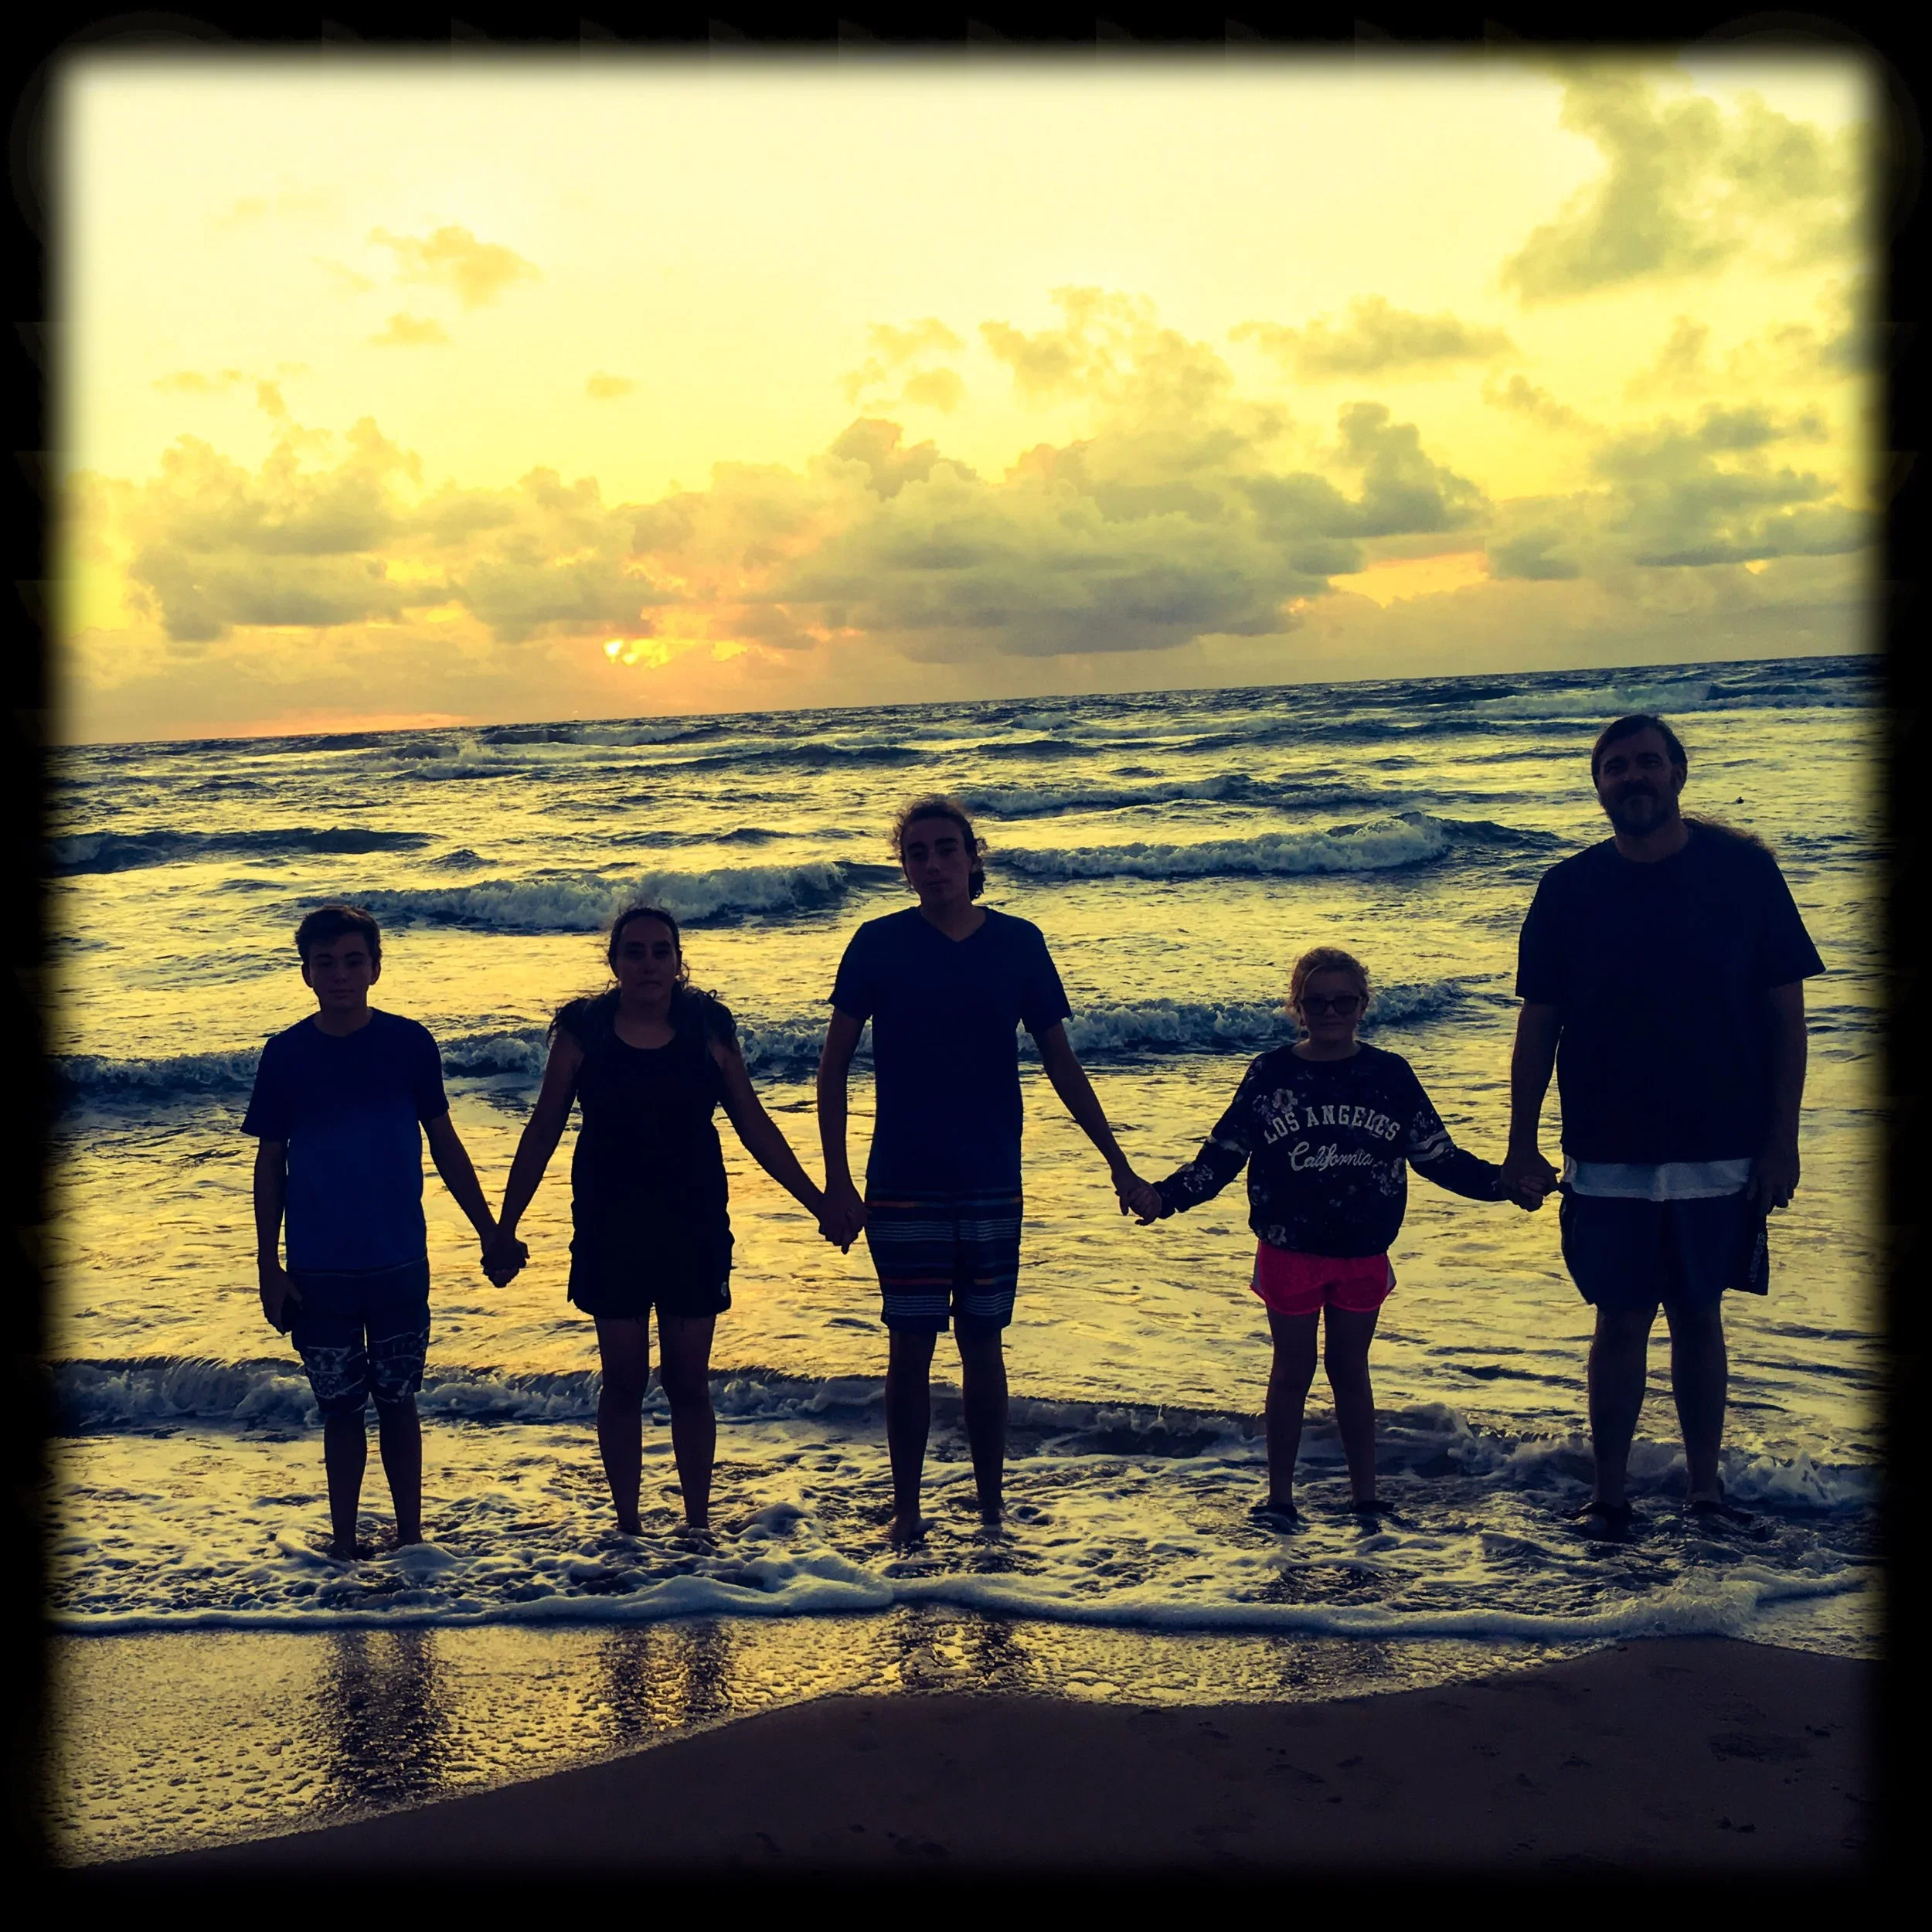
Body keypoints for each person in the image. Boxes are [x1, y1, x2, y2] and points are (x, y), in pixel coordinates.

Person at [1499, 713, 1824, 1532]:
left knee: (1699, 1313)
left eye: (1647, 763)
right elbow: (1539, 1022)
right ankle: (1608, 1496)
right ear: (1598, 785)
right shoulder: (1567, 888)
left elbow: (1785, 1019)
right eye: (1616, 767)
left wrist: (1780, 1140)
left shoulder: (1744, 874)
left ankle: (1704, 1492)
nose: (1633, 777)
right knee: (1618, 1318)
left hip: (1723, 1141)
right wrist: (1519, 1142)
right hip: (1607, 1146)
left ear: (1677, 774)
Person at [818, 794, 1148, 1548]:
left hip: (992, 1171)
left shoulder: (1019, 945)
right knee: (908, 1343)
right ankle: (907, 1509)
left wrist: (1118, 1162)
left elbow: (1060, 1061)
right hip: (901, 1176)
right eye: (918, 854)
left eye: (946, 849)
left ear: (974, 857)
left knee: (983, 1340)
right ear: (903, 869)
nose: (933, 864)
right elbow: (832, 1068)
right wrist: (836, 1181)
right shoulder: (876, 944)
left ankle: (991, 1508)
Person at [1123, 946, 1537, 1522]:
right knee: (1292, 1372)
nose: (1331, 1012)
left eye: (1344, 1001)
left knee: (1351, 1369)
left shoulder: (1389, 1074)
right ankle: (1279, 1500)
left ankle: (1365, 1496)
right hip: (1289, 1248)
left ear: (1364, 1005)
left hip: (1364, 1249)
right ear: (1297, 1007)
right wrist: (1163, 1198)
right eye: (1317, 1002)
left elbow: (1438, 1157)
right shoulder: (1271, 1073)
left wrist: (1504, 1185)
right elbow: (1222, 1156)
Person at [485, 904, 833, 1539]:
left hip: (693, 1221)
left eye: (661, 952)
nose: (649, 964)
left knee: (688, 1381)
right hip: (609, 1223)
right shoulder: (583, 1030)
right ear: (614, 961)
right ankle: (628, 1528)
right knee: (622, 1380)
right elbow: (542, 1129)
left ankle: (698, 1525)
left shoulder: (708, 1026)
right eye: (635, 952)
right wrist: (503, 1227)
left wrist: (819, 1201)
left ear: (679, 961)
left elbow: (754, 1124)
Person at [243, 903, 504, 1560]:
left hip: (398, 1262)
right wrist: (268, 1264)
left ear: (375, 969)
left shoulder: (409, 1044)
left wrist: (489, 1229)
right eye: (325, 963)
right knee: (338, 1411)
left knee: (398, 1401)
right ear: (305, 974)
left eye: (352, 961)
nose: (339, 975)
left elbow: (444, 1143)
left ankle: (412, 1538)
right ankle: (343, 1543)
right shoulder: (286, 1055)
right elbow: (270, 1159)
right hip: (317, 1269)